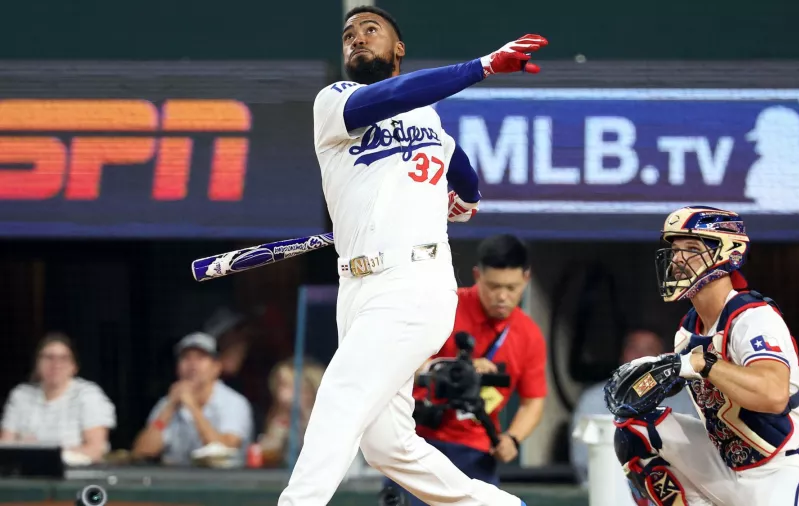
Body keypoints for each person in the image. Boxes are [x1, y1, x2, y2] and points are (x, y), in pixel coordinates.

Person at [277, 6, 547, 506]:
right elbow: (401, 94)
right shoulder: (335, 101)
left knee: (341, 394)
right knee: (387, 446)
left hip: (413, 280)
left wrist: (465, 201)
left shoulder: (431, 125)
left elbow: (464, 177)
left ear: (398, 48)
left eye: (371, 30)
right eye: (348, 35)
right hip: (356, 289)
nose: (357, 38)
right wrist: (481, 67)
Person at [611, 206, 799, 505]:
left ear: (726, 253)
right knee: (635, 429)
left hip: (788, 466)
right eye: (675, 249)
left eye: (691, 248)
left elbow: (773, 395)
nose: (678, 259)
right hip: (730, 467)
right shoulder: (687, 331)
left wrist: (704, 364)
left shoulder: (753, 317)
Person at [383, 234, 547, 505]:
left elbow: (533, 401)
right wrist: (456, 368)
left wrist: (513, 439)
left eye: (512, 287)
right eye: (493, 286)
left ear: (526, 279)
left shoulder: (529, 334)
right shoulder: (445, 307)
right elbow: (400, 364)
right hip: (418, 439)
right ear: (477, 275)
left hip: (477, 450)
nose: (503, 297)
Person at [569, 329, 696, 485]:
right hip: (606, 491)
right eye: (633, 348)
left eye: (649, 350)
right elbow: (582, 463)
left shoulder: (685, 401)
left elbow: (696, 460)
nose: (640, 356)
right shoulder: (593, 400)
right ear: (622, 356)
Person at [131, 332, 254, 467]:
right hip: (178, 482)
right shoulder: (168, 403)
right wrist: (169, 408)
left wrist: (192, 407)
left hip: (223, 482)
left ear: (216, 367)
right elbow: (142, 452)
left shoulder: (234, 403)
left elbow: (225, 449)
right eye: (186, 358)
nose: (192, 365)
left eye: (200, 358)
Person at [0, 332, 116, 464]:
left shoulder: (89, 395)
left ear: (74, 366)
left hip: (74, 475)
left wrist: (48, 457)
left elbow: (96, 449)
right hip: (25, 474)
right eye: (49, 357)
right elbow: (6, 446)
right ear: (37, 364)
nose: (55, 364)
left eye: (63, 358)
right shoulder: (20, 395)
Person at [257, 357, 326, 467]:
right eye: (279, 385)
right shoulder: (279, 415)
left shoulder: (326, 419)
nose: (281, 394)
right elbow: (267, 450)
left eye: (287, 386)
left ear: (309, 390)